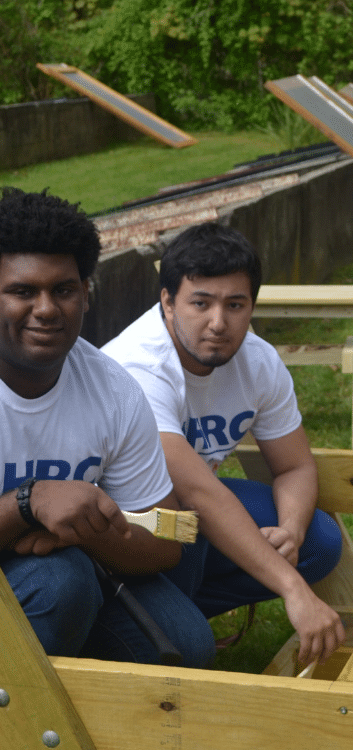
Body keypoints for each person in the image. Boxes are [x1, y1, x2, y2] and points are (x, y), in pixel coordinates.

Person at [102, 222, 345, 665]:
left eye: (236, 304)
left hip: (191, 510)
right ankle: (139, 622)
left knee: (319, 541)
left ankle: (176, 616)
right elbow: (194, 493)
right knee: (188, 524)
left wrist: (290, 529)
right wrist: (292, 589)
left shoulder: (258, 361)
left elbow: (295, 467)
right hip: (125, 525)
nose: (219, 323)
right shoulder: (135, 367)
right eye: (201, 303)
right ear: (168, 303)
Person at [0, 187, 214, 667]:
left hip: (66, 564)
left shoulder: (112, 389)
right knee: (62, 584)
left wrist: (82, 530)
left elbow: (163, 542)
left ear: (86, 295)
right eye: (21, 291)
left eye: (63, 289)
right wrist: (28, 503)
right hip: (51, 580)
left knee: (186, 648)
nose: (47, 309)